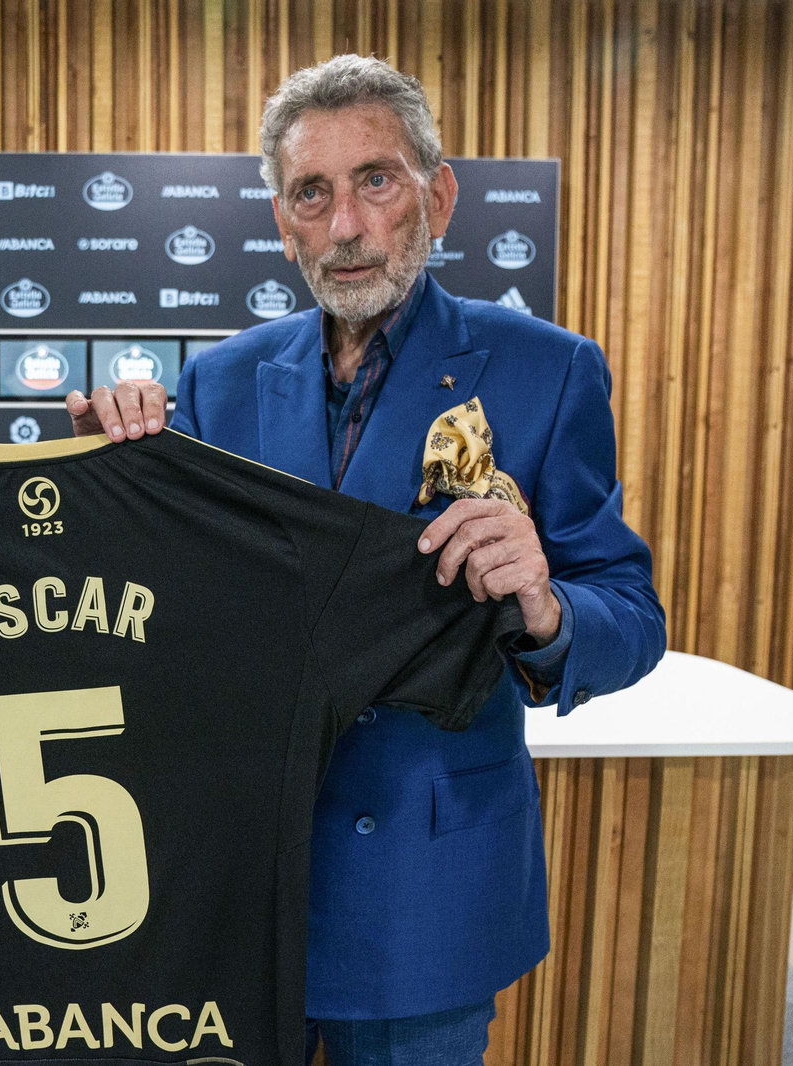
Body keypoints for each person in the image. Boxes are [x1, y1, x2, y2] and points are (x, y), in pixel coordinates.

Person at [69, 54, 665, 1065]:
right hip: (238, 885)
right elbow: (166, 618)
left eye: (374, 181)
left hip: (424, 899)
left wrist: (546, 605)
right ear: (281, 219)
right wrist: (109, 484)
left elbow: (630, 617)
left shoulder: (546, 370)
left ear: (436, 195)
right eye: (313, 191)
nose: (344, 224)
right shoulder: (220, 381)